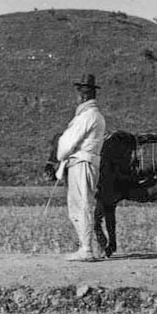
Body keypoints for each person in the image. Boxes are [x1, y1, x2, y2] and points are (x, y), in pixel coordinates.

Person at [55, 74, 107, 262]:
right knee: (80, 204)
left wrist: (60, 155)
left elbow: (68, 144)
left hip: (81, 163)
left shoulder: (87, 116)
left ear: (83, 96)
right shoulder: (96, 116)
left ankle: (86, 249)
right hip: (87, 162)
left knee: (81, 205)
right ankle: (85, 246)